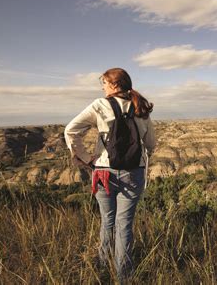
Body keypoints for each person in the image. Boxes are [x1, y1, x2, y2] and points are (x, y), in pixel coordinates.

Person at [64, 68, 155, 281]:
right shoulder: (140, 107)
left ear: (114, 84)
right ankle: (124, 277)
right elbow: (151, 144)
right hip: (134, 173)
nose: (102, 87)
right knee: (124, 225)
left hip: (104, 172)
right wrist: (139, 157)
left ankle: (103, 267)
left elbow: (70, 130)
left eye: (104, 83)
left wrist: (87, 158)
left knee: (108, 220)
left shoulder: (100, 105)